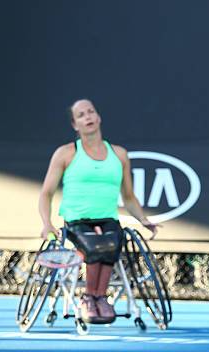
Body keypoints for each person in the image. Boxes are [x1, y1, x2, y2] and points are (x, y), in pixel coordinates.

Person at [39, 99, 158, 324]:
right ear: (75, 125)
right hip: (77, 221)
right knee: (95, 244)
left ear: (99, 117)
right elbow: (46, 193)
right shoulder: (66, 153)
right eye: (81, 115)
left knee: (112, 240)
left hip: (108, 220)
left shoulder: (120, 154)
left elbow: (129, 197)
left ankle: (99, 298)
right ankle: (90, 298)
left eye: (91, 112)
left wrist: (144, 220)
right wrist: (47, 222)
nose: (88, 117)